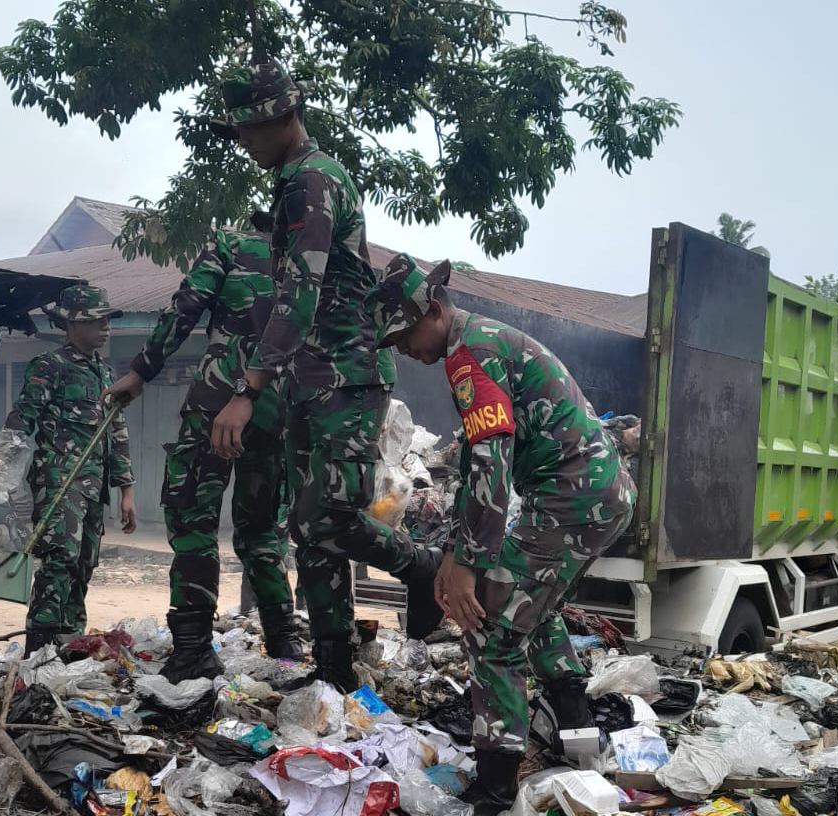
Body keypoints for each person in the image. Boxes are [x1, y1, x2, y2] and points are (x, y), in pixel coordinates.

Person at [370, 256, 638, 815]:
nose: (403, 349)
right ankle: (578, 735)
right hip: (592, 496)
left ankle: (495, 790)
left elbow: (492, 463)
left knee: (489, 619)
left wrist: (467, 562)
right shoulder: (480, 344)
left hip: (573, 497)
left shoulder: (472, 357)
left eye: (405, 334)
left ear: (435, 312)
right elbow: (475, 463)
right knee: (530, 611)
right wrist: (455, 549)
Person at [205, 60, 442, 690]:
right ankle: (333, 668)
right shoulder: (293, 180)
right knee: (307, 527)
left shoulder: (312, 180)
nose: (244, 144)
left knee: (329, 516)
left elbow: (300, 291)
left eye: (250, 131)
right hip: (311, 379)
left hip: (348, 374)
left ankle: (422, 565)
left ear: (281, 118)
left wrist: (246, 390)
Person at [104, 227, 302, 681]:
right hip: (278, 411)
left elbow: (185, 308)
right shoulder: (308, 261)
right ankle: (285, 646)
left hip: (217, 401)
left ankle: (193, 650)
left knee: (193, 520)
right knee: (263, 532)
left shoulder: (230, 246)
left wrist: (140, 372)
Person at [4, 285, 136, 655]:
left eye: (108, 320)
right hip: (59, 482)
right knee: (59, 560)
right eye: (97, 321)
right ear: (73, 325)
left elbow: (117, 432)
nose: (106, 328)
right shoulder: (49, 367)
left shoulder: (104, 373)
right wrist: (0, 466)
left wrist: (126, 491)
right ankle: (39, 648)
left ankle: (70, 644)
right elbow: (22, 419)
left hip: (94, 487)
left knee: (84, 564)